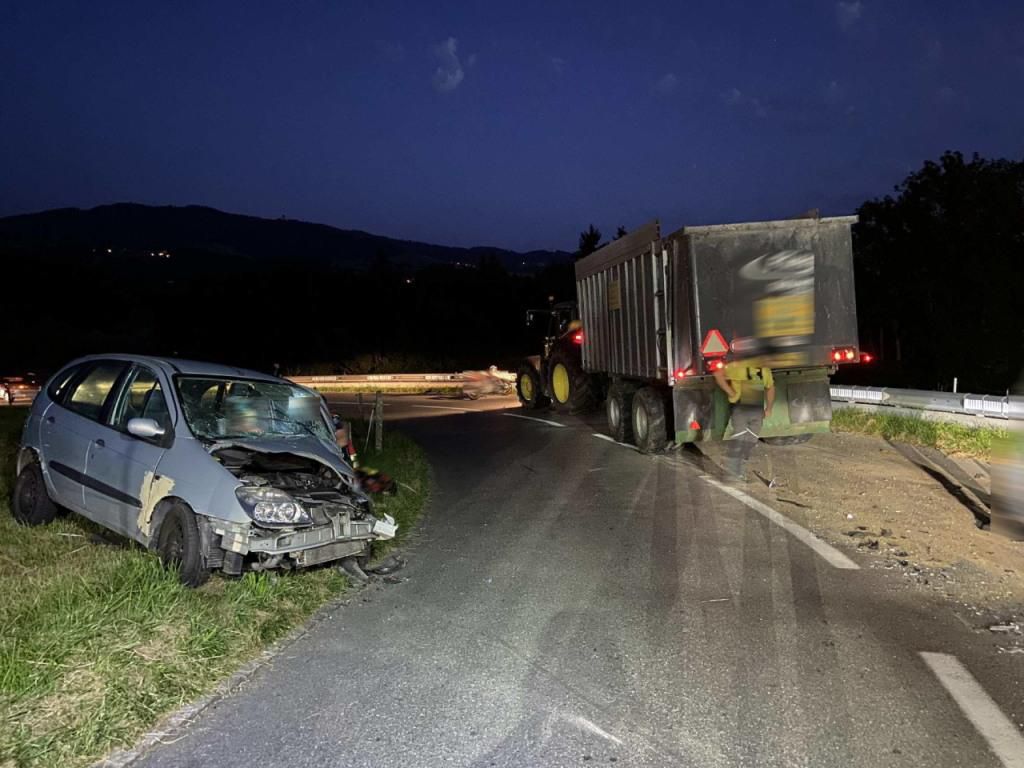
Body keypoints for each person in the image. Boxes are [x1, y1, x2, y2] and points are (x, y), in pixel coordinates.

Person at [712, 360, 775, 481]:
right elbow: (718, 374)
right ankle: (733, 472)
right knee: (739, 439)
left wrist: (769, 408)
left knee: (751, 440)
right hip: (740, 408)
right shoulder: (737, 367)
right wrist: (730, 392)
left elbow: (770, 387)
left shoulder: (764, 370)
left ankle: (740, 468)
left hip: (756, 409)